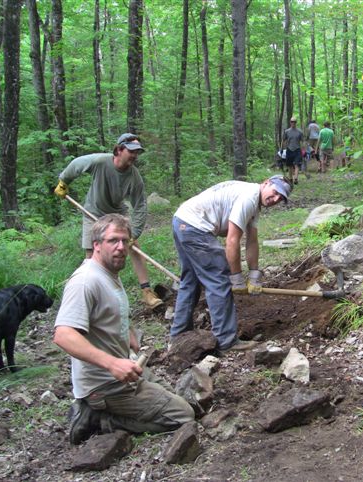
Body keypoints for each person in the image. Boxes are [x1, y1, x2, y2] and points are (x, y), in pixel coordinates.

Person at [54, 214, 194, 445]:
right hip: (103, 383)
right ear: (96, 245)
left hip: (122, 368)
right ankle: (99, 419)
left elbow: (109, 310)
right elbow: (63, 335)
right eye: (113, 241)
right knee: (183, 415)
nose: (120, 248)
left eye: (125, 241)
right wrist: (112, 363)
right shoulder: (85, 281)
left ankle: (109, 408)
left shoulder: (108, 272)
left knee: (175, 395)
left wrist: (126, 330)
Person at [170, 175, 292, 352]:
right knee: (218, 278)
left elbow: (252, 241)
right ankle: (226, 340)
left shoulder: (254, 202)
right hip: (195, 226)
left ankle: (179, 334)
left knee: (191, 281)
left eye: (280, 199)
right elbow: (232, 241)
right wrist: (236, 278)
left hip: (182, 220)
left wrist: (254, 276)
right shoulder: (249, 198)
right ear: (266, 182)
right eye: (274, 193)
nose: (275, 199)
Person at [54, 133, 163, 310]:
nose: (135, 156)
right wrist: (63, 181)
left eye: (137, 152)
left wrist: (133, 234)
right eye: (131, 151)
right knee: (92, 256)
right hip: (93, 213)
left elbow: (141, 205)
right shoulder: (100, 162)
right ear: (119, 150)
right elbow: (76, 165)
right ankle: (91, 296)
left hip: (117, 213)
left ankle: (147, 292)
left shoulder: (134, 176)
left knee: (135, 249)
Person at [281, 117, 303, 185]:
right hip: (289, 149)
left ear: (296, 123)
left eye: (294, 122)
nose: (293, 123)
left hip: (297, 149)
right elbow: (283, 140)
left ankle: (295, 178)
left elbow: (302, 141)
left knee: (297, 165)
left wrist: (304, 150)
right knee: (289, 165)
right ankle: (290, 178)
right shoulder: (287, 131)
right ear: (290, 122)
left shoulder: (300, 131)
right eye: (292, 121)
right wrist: (281, 148)